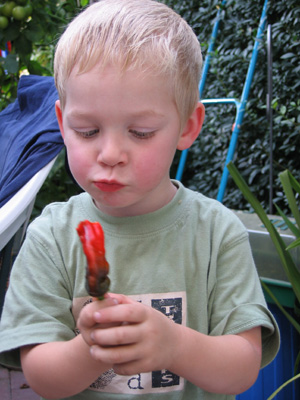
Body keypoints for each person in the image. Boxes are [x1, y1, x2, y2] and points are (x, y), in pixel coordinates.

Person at [0, 1, 279, 399]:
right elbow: (43, 377)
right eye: (88, 130)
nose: (110, 153)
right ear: (62, 124)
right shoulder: (52, 237)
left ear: (187, 127)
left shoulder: (218, 233)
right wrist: (93, 346)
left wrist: (174, 345)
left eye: (141, 131)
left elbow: (242, 369)